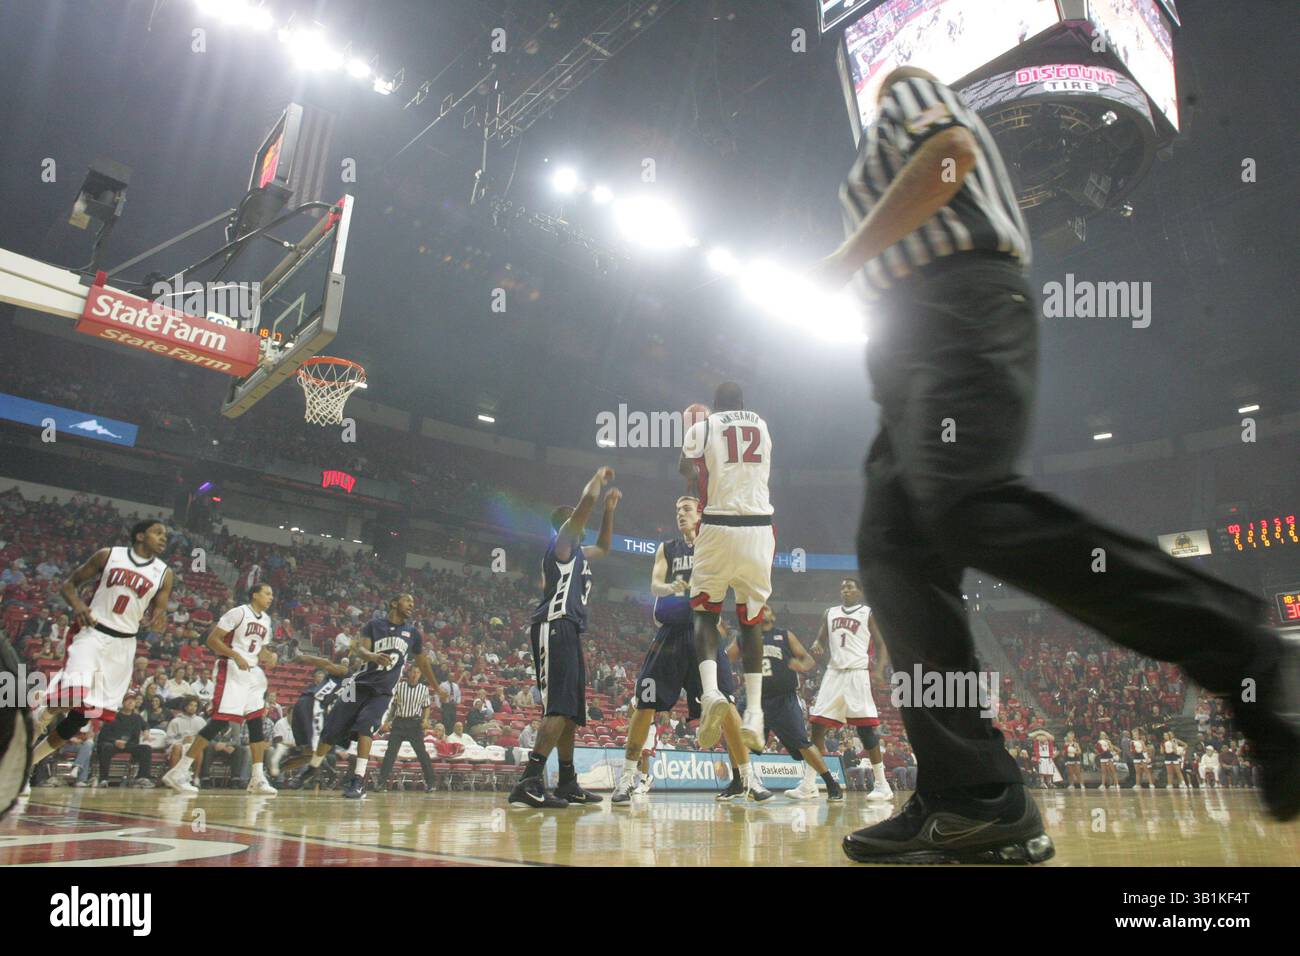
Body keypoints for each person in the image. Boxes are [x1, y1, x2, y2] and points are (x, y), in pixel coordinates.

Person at [815, 65, 1297, 863]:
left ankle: (1230, 639)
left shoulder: (903, 88)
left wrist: (843, 263)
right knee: (895, 556)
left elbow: (950, 155)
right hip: (911, 342)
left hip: (953, 308)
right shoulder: (876, 149)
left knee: (973, 510)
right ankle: (970, 796)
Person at [611, 496, 766, 805]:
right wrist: (671, 588)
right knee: (646, 704)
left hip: (705, 635)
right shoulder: (668, 548)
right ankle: (628, 777)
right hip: (670, 636)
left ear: (700, 515)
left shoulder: (716, 547)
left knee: (726, 705)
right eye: (677, 510)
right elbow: (655, 584)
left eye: (686, 509)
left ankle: (748, 778)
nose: (680, 514)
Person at [508, 467, 619, 809]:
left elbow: (604, 546)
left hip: (569, 629)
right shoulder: (562, 546)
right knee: (557, 706)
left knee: (570, 712)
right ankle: (528, 781)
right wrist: (597, 484)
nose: (579, 520)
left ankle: (568, 781)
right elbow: (584, 504)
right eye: (574, 518)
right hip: (554, 625)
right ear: (565, 525)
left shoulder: (581, 553)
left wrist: (610, 513)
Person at [31, 520, 174, 779]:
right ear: (140, 535)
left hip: (123, 645)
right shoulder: (109, 555)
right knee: (73, 694)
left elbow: (159, 610)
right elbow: (68, 586)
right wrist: (78, 606)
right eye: (158, 533)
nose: (164, 538)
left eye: (166, 535)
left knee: (82, 717)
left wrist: (158, 618)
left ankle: (28, 762)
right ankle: (41, 715)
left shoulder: (164, 573)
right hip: (92, 633)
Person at [678, 383, 776, 760]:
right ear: (743, 403)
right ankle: (754, 712)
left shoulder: (703, 426)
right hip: (759, 527)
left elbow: (687, 473)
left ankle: (711, 693)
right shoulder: (762, 426)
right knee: (751, 620)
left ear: (714, 405)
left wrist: (691, 429)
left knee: (704, 612)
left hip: (718, 525)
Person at [292, 594, 438, 799]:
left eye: (413, 602)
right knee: (331, 729)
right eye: (408, 601)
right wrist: (371, 656)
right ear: (394, 603)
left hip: (383, 692)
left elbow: (423, 663)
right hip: (356, 685)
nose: (412, 605)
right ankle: (312, 767)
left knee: (365, 726)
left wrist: (437, 687)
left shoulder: (413, 633)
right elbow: (359, 648)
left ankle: (358, 781)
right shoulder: (373, 625)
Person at [162, 585, 279, 794]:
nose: (271, 596)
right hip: (231, 668)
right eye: (267, 593)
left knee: (255, 723)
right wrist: (235, 655)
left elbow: (259, 648)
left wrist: (268, 656)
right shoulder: (238, 612)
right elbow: (212, 640)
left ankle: (257, 778)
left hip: (252, 672)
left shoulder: (266, 620)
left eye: (272, 593)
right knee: (219, 721)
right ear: (254, 594)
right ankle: (178, 772)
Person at [741, 605, 842, 801]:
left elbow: (808, 660)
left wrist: (801, 666)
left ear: (773, 615)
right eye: (759, 608)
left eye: (767, 608)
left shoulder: (785, 635)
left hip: (784, 699)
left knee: (803, 745)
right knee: (741, 742)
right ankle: (741, 782)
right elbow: (730, 655)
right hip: (757, 701)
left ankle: (831, 783)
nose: (763, 610)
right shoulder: (748, 636)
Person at [809, 579, 891, 802]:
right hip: (833, 673)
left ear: (860, 591)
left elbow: (882, 644)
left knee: (865, 731)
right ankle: (808, 784)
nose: (845, 590)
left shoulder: (867, 613)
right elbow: (821, 639)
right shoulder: (830, 612)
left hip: (856, 673)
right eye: (842, 587)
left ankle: (882, 785)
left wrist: (880, 670)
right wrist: (818, 645)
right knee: (817, 728)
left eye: (850, 587)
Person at [272, 654, 350, 783]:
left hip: (310, 706)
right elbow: (326, 663)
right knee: (315, 751)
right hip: (314, 704)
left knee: (308, 753)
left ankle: (275, 769)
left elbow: (346, 706)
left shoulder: (353, 686)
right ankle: (284, 751)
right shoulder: (346, 672)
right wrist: (304, 657)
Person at [375, 667, 437, 791]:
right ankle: (381, 783)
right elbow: (392, 706)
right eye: (413, 671)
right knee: (390, 753)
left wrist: (425, 719)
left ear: (420, 675)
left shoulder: (423, 689)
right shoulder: (399, 687)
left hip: (414, 724)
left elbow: (426, 707)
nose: (415, 674)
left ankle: (431, 783)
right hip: (399, 722)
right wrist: (387, 721)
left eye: (418, 672)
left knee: (422, 754)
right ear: (408, 673)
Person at [95, 695, 154, 787]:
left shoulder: (137, 717)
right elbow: (103, 736)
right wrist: (115, 741)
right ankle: (103, 779)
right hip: (113, 743)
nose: (131, 703)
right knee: (106, 748)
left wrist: (146, 731)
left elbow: (145, 725)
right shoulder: (113, 717)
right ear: (123, 703)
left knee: (146, 749)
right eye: (128, 701)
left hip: (129, 744)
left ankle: (142, 778)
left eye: (133, 701)